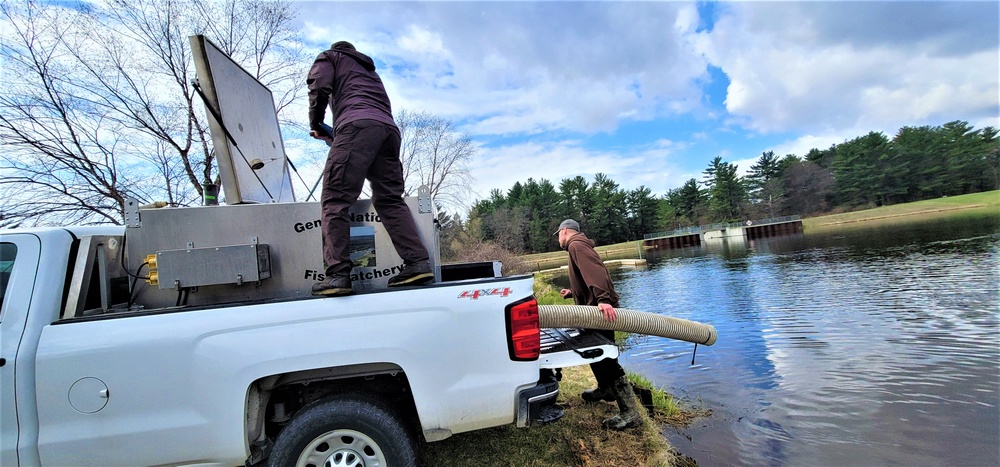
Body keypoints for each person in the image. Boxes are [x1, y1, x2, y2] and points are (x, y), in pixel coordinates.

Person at [306, 41, 434, 296]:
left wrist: (316, 121)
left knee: (334, 201)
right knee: (389, 199)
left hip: (357, 128)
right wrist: (332, 135)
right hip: (387, 132)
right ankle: (417, 263)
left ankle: (338, 275)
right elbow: (367, 127)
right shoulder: (370, 72)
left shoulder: (330, 57)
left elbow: (318, 85)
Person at [554, 218, 641, 430]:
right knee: (594, 351)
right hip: (592, 311)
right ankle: (606, 389)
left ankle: (630, 412)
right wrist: (572, 293)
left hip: (598, 313)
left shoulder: (576, 245)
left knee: (605, 356)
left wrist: (602, 299)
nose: (558, 239)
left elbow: (596, 272)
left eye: (558, 234)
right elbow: (586, 278)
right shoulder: (579, 245)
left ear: (564, 231)